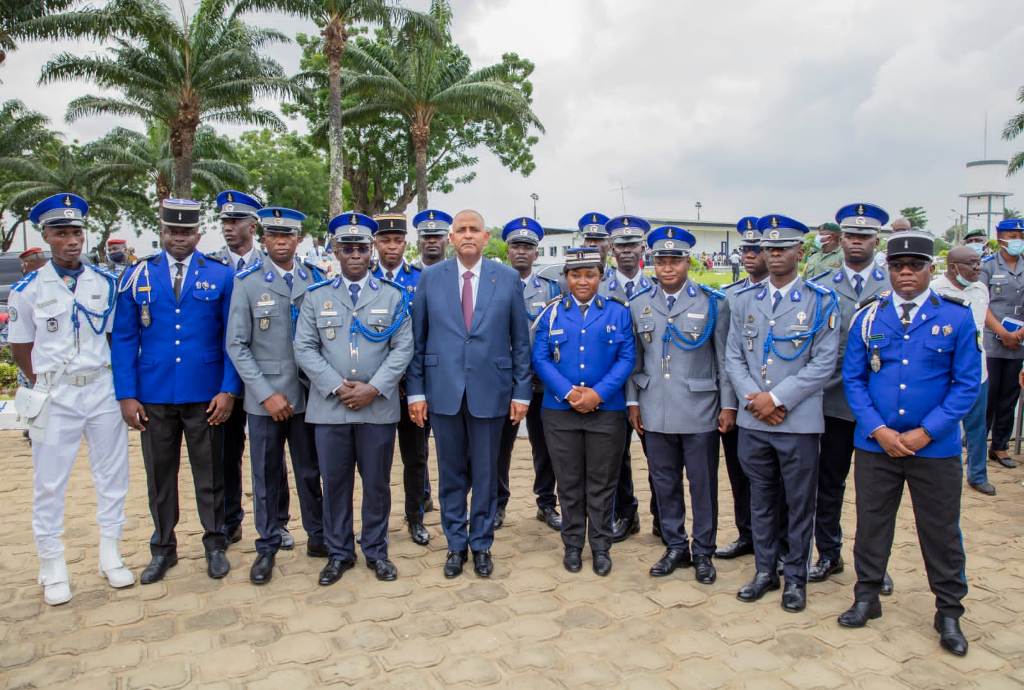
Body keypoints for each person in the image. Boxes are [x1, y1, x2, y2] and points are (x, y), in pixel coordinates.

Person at [838, 230, 979, 657]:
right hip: (877, 444)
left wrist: (927, 431)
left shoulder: (956, 317)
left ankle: (949, 610)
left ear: (930, 269)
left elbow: (966, 384)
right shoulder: (868, 316)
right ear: (888, 270)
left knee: (940, 530)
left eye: (915, 266)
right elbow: (854, 379)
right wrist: (879, 430)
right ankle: (867, 595)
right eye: (897, 266)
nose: (905, 273)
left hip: (933, 449)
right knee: (871, 522)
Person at [9, 193, 133, 605]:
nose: (71, 240)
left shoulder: (105, 282)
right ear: (47, 236)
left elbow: (116, 338)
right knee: (49, 482)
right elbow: (21, 348)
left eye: (76, 232)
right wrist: (44, 382)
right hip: (56, 392)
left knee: (112, 476)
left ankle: (110, 553)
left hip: (100, 388)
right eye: (61, 233)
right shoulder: (28, 289)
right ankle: (51, 564)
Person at [111, 198, 242, 584]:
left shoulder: (219, 276)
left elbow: (231, 339)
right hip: (153, 394)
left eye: (186, 231)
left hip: (205, 394)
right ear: (162, 231)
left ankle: (215, 544)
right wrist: (126, 394)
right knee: (160, 476)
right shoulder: (138, 276)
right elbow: (123, 338)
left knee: (211, 474)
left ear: (199, 234)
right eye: (172, 230)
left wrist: (228, 389)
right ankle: (163, 548)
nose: (179, 238)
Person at [406, 209, 532, 579]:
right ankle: (455, 545)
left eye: (473, 229)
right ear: (450, 238)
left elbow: (520, 342)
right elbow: (419, 339)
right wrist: (416, 392)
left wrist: (521, 392)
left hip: (491, 391)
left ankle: (481, 545)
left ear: (486, 236)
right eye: (460, 230)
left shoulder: (506, 279)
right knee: (451, 473)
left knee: (486, 472)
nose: (467, 235)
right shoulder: (431, 278)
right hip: (443, 391)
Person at [725, 213, 839, 613]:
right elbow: (734, 356)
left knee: (798, 503)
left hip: (798, 423)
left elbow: (824, 364)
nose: (773, 255)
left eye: (782, 248)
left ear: (799, 252)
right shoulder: (743, 301)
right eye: (768, 249)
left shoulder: (821, 301)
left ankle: (795, 577)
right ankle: (764, 571)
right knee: (760, 498)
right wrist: (755, 398)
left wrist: (777, 399)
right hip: (753, 420)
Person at [294, 212, 413, 585]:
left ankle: (376, 551)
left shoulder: (393, 296)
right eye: (347, 248)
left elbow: (403, 347)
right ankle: (339, 553)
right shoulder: (317, 296)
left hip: (377, 407)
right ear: (336, 250)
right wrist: (337, 385)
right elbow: (304, 347)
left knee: (377, 484)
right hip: (330, 408)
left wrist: (373, 388)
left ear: (372, 251)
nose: (355, 254)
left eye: (362, 247)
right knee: (335, 484)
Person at [225, 206, 327, 585]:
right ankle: (267, 545)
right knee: (267, 474)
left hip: (307, 395)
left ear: (298, 239)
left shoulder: (315, 279)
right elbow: (237, 344)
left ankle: (318, 536)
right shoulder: (248, 282)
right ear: (263, 238)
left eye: (288, 236)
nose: (280, 242)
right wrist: (265, 394)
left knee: (310, 470)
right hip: (266, 400)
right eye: (273, 236)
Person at [626, 227, 726, 584]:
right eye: (661, 260)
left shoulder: (712, 302)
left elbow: (723, 361)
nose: (667, 267)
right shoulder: (639, 303)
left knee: (702, 485)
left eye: (675, 260)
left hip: (699, 408)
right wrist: (633, 401)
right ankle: (674, 545)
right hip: (655, 407)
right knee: (663, 482)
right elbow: (633, 359)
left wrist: (727, 406)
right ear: (651, 262)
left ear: (688, 262)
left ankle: (703, 551)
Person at [806, 203, 894, 590]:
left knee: (878, 493)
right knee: (829, 484)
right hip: (834, 401)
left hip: (882, 405)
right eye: (851, 236)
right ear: (841, 240)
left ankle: (875, 564)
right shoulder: (823, 283)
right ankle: (828, 553)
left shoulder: (894, 282)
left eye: (864, 237)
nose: (856, 243)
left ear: (877, 240)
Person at [533, 246, 634, 575]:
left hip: (606, 412)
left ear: (600, 277)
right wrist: (567, 392)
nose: (582, 281)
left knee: (602, 482)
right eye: (576, 275)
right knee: (569, 481)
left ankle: (601, 546)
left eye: (590, 275)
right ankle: (573, 544)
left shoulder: (618, 313)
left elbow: (627, 358)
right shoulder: (551, 313)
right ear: (566, 277)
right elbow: (541, 358)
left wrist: (598, 394)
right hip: (560, 412)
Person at [496, 217, 562, 532]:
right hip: (504, 382)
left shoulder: (551, 289)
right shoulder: (494, 286)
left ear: (536, 253)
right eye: (516, 246)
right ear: (507, 250)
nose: (521, 252)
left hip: (539, 383)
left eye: (528, 247)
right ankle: (497, 504)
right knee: (499, 446)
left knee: (545, 444)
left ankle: (546, 503)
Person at [211, 190, 267, 547]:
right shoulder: (212, 266)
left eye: (236, 222)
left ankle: (274, 523)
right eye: (225, 222)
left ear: (253, 224)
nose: (229, 228)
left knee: (269, 457)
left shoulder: (274, 263)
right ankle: (231, 520)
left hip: (267, 378)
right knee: (226, 454)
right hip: (225, 379)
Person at [370, 212, 429, 545]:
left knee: (416, 457)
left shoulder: (421, 279)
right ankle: (378, 521)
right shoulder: (364, 277)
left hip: (414, 385)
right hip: (377, 387)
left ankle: (415, 517)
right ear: (375, 243)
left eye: (397, 240)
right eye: (385, 240)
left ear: (406, 243)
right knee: (377, 460)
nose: (391, 246)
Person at [601, 214, 654, 542]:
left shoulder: (658, 285)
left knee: (659, 459)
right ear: (611, 249)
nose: (626, 251)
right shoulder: (599, 286)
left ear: (643, 247)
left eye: (632, 244)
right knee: (615, 457)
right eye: (620, 245)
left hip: (651, 388)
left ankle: (663, 518)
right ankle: (625, 513)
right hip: (612, 387)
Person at [715, 217, 765, 560]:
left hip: (787, 408)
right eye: (745, 249)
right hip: (743, 405)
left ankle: (783, 544)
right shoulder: (731, 297)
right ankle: (747, 534)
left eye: (756, 249)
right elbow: (725, 357)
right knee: (740, 475)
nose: (749, 255)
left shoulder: (806, 295)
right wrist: (729, 405)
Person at [932, 246, 993, 495]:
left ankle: (978, 474)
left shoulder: (981, 289)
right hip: (944, 372)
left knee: (977, 426)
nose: (978, 268)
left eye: (978, 263)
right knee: (943, 425)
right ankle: (942, 473)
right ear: (954, 267)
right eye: (972, 264)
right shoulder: (934, 290)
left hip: (977, 371)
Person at [411, 209, 452, 513]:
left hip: (449, 377)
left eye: (437, 236)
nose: (432, 241)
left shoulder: (459, 276)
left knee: (452, 447)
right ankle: (421, 496)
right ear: (419, 241)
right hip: (412, 376)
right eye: (427, 236)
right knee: (416, 447)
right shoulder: (409, 276)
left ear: (446, 240)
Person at [980, 218, 1024, 469]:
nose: (1017, 239)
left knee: (1009, 396)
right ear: (999, 237)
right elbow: (981, 302)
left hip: (1018, 342)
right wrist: (1001, 332)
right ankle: (977, 443)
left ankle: (1000, 446)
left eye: (1021, 235)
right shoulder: (987, 266)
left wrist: (1018, 334)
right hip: (992, 341)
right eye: (1011, 234)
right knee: (988, 396)